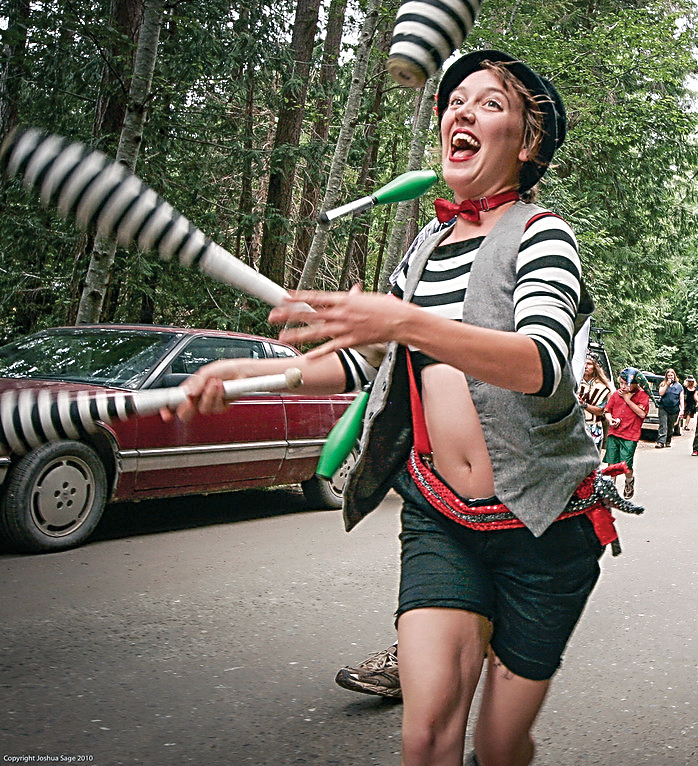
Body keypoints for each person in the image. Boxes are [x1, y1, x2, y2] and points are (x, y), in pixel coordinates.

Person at [171, 51, 619, 766]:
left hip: (544, 526)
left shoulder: (542, 235)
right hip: (442, 517)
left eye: (490, 103)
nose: (462, 110)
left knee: (499, 744)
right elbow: (371, 362)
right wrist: (253, 375)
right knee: (427, 733)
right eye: (455, 100)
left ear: (527, 144)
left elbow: (539, 364)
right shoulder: (424, 248)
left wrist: (404, 320)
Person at [604, 368, 649, 497]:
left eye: (626, 384)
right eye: (621, 383)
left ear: (635, 384)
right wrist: (610, 420)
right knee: (611, 463)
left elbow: (642, 414)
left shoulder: (642, 395)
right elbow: (607, 411)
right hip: (614, 433)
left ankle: (629, 481)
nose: (623, 387)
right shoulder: (616, 394)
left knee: (626, 465)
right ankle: (611, 490)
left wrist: (627, 399)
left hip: (630, 435)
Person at [577, 355, 613, 451]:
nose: (585, 366)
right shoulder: (576, 383)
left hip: (593, 427)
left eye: (589, 364)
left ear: (595, 367)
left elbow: (601, 411)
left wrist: (584, 405)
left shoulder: (602, 387)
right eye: (584, 363)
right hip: (575, 425)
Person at [654, 368, 683, 448]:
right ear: (666, 376)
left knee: (671, 426)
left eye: (671, 375)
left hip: (674, 408)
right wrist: (667, 385)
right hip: (663, 407)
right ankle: (661, 442)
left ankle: (668, 440)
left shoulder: (679, 386)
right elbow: (661, 393)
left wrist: (682, 409)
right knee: (663, 425)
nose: (670, 377)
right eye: (668, 375)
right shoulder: (663, 384)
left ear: (674, 376)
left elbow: (681, 398)